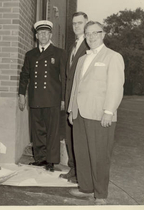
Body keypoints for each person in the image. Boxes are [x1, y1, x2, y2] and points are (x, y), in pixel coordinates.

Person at [68, 21, 125, 205]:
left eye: (95, 33)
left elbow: (116, 87)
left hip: (100, 114)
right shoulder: (82, 60)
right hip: (79, 113)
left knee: (100, 155)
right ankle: (86, 188)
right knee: (82, 153)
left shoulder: (113, 57)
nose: (91, 37)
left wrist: (109, 111)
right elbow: (76, 87)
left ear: (103, 34)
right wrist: (71, 110)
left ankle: (101, 194)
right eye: (88, 33)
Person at [18, 20, 67, 172]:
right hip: (35, 97)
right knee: (37, 129)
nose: (43, 36)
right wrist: (21, 94)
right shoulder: (30, 55)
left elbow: (64, 78)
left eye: (46, 33)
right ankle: (40, 159)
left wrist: (64, 98)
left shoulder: (59, 53)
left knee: (52, 130)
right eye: (40, 33)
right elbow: (24, 75)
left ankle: (51, 160)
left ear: (50, 35)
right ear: (36, 36)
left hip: (52, 98)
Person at [59, 12, 89, 183]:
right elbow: (67, 76)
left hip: (81, 99)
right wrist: (65, 98)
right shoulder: (73, 45)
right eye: (74, 23)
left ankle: (81, 173)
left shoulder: (89, 44)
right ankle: (73, 168)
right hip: (69, 98)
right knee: (69, 135)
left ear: (86, 24)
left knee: (79, 138)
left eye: (80, 23)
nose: (76, 26)